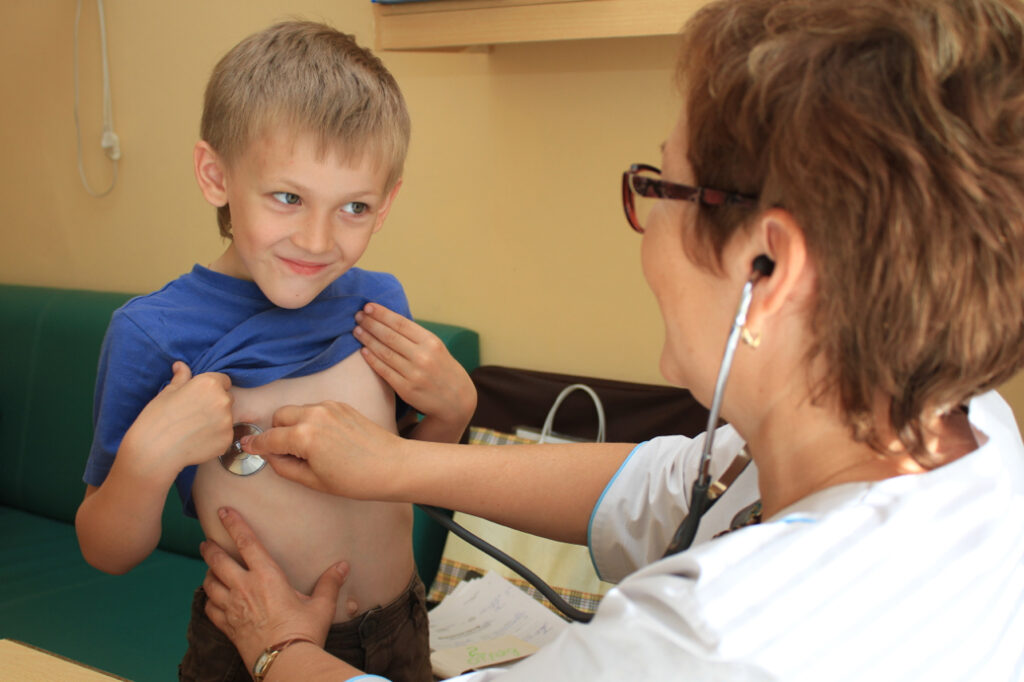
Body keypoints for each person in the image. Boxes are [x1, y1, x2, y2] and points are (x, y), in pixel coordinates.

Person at [199, 0, 1024, 679]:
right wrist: (396, 464)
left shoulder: (706, 644)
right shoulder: (968, 423)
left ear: (768, 267)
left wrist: (279, 649)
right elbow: (659, 489)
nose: (646, 227)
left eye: (661, 186)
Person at [74, 21, 476, 682]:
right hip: (246, 648)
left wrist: (453, 414)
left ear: (386, 204)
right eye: (288, 197)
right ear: (216, 176)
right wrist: (147, 460)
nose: (317, 240)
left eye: (354, 207)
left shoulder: (379, 303)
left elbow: (400, 473)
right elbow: (105, 551)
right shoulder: (154, 334)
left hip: (402, 629)